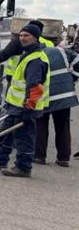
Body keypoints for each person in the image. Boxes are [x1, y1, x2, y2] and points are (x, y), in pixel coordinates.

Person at [0, 23, 49, 178]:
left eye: (26, 36)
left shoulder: (36, 59)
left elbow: (35, 87)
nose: (22, 38)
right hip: (16, 104)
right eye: (21, 35)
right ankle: (0, 160)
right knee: (6, 133)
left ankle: (23, 167)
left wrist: (29, 107)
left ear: (34, 38)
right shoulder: (27, 54)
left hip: (26, 107)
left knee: (24, 137)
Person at [35, 35, 77, 166]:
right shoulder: (61, 51)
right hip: (64, 95)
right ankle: (63, 158)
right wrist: (73, 77)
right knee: (63, 126)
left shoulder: (36, 55)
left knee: (40, 125)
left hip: (45, 96)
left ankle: (39, 156)